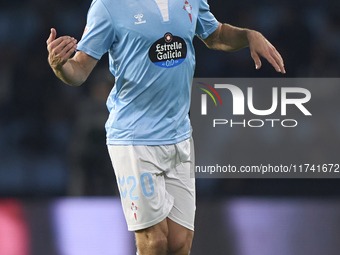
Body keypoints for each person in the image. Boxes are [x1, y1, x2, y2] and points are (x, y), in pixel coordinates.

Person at [46, 0, 285, 254]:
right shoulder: (108, 6)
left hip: (179, 134)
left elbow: (216, 34)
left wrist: (249, 35)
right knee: (154, 241)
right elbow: (79, 69)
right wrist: (61, 65)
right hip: (134, 136)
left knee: (179, 243)